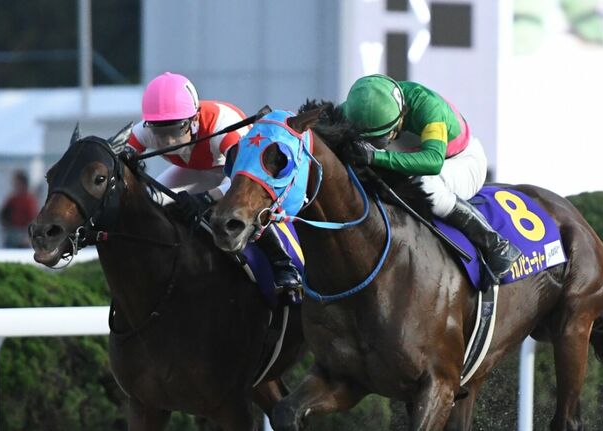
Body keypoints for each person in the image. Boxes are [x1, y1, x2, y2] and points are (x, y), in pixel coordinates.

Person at [126, 72, 300, 293]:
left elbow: (240, 182)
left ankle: (283, 265)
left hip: (239, 173)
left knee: (245, 206)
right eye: (161, 132)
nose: (168, 140)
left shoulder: (222, 126)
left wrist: (205, 199)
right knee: (151, 202)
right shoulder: (146, 129)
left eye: (174, 130)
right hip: (196, 170)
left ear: (195, 119)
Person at [341, 74, 522, 283]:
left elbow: (433, 162)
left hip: (460, 161)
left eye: (379, 138)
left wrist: (374, 156)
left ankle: (497, 245)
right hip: (412, 160)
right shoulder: (362, 106)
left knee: (427, 187)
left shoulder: (429, 107)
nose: (375, 143)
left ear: (399, 119)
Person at [0, 170, 39, 247]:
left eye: (17, 183)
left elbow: (33, 218)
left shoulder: (29, 200)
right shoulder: (12, 199)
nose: (15, 185)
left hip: (23, 234)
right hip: (12, 233)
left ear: (23, 184)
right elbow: (3, 214)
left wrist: (27, 236)